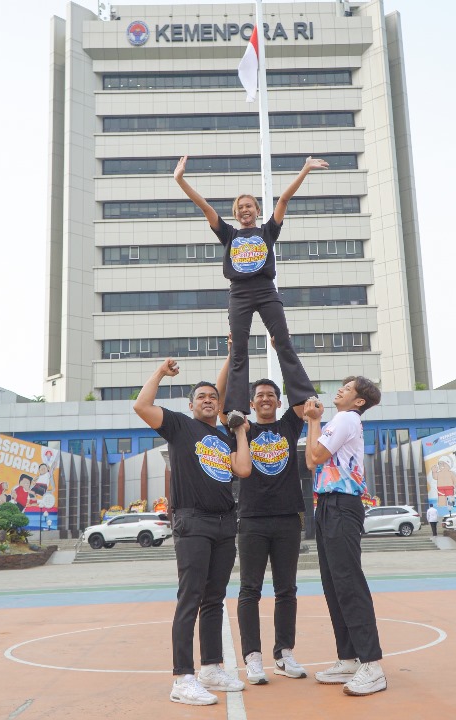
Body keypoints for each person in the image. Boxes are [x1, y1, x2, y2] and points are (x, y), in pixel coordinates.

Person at [132, 358, 254, 706]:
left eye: (212, 397)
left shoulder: (223, 435)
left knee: (214, 599)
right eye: (201, 396)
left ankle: (211, 668)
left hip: (224, 524)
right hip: (193, 522)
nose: (208, 400)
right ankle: (182, 677)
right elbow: (141, 405)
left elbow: (243, 469)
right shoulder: (180, 426)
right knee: (190, 598)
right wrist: (159, 373)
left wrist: (241, 429)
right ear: (190, 404)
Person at [173, 155, 324, 430]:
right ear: (235, 213)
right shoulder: (229, 234)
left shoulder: (267, 231)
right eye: (240, 207)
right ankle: (236, 409)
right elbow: (204, 206)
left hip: (266, 290)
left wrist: (304, 170)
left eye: (249, 206)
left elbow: (283, 201)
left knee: (283, 341)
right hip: (239, 294)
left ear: (256, 210)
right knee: (239, 350)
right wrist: (180, 179)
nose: (245, 210)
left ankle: (302, 396)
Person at [213, 336, 309, 684]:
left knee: (287, 590)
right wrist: (231, 355)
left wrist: (284, 348)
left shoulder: (289, 425)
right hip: (251, 518)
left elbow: (303, 393)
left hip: (287, 518)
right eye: (260, 396)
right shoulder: (242, 428)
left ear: (279, 401)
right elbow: (221, 401)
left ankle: (284, 653)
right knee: (250, 589)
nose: (266, 398)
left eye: (271, 394)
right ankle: (252, 658)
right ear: (251, 404)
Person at [302, 378, 387, 696]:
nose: (340, 390)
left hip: (341, 505)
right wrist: (314, 421)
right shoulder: (340, 420)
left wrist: (314, 422)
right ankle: (349, 658)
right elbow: (314, 459)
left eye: (347, 388)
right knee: (334, 584)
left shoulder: (346, 418)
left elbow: (314, 457)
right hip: (327, 504)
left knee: (348, 582)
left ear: (359, 401)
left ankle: (372, 664)